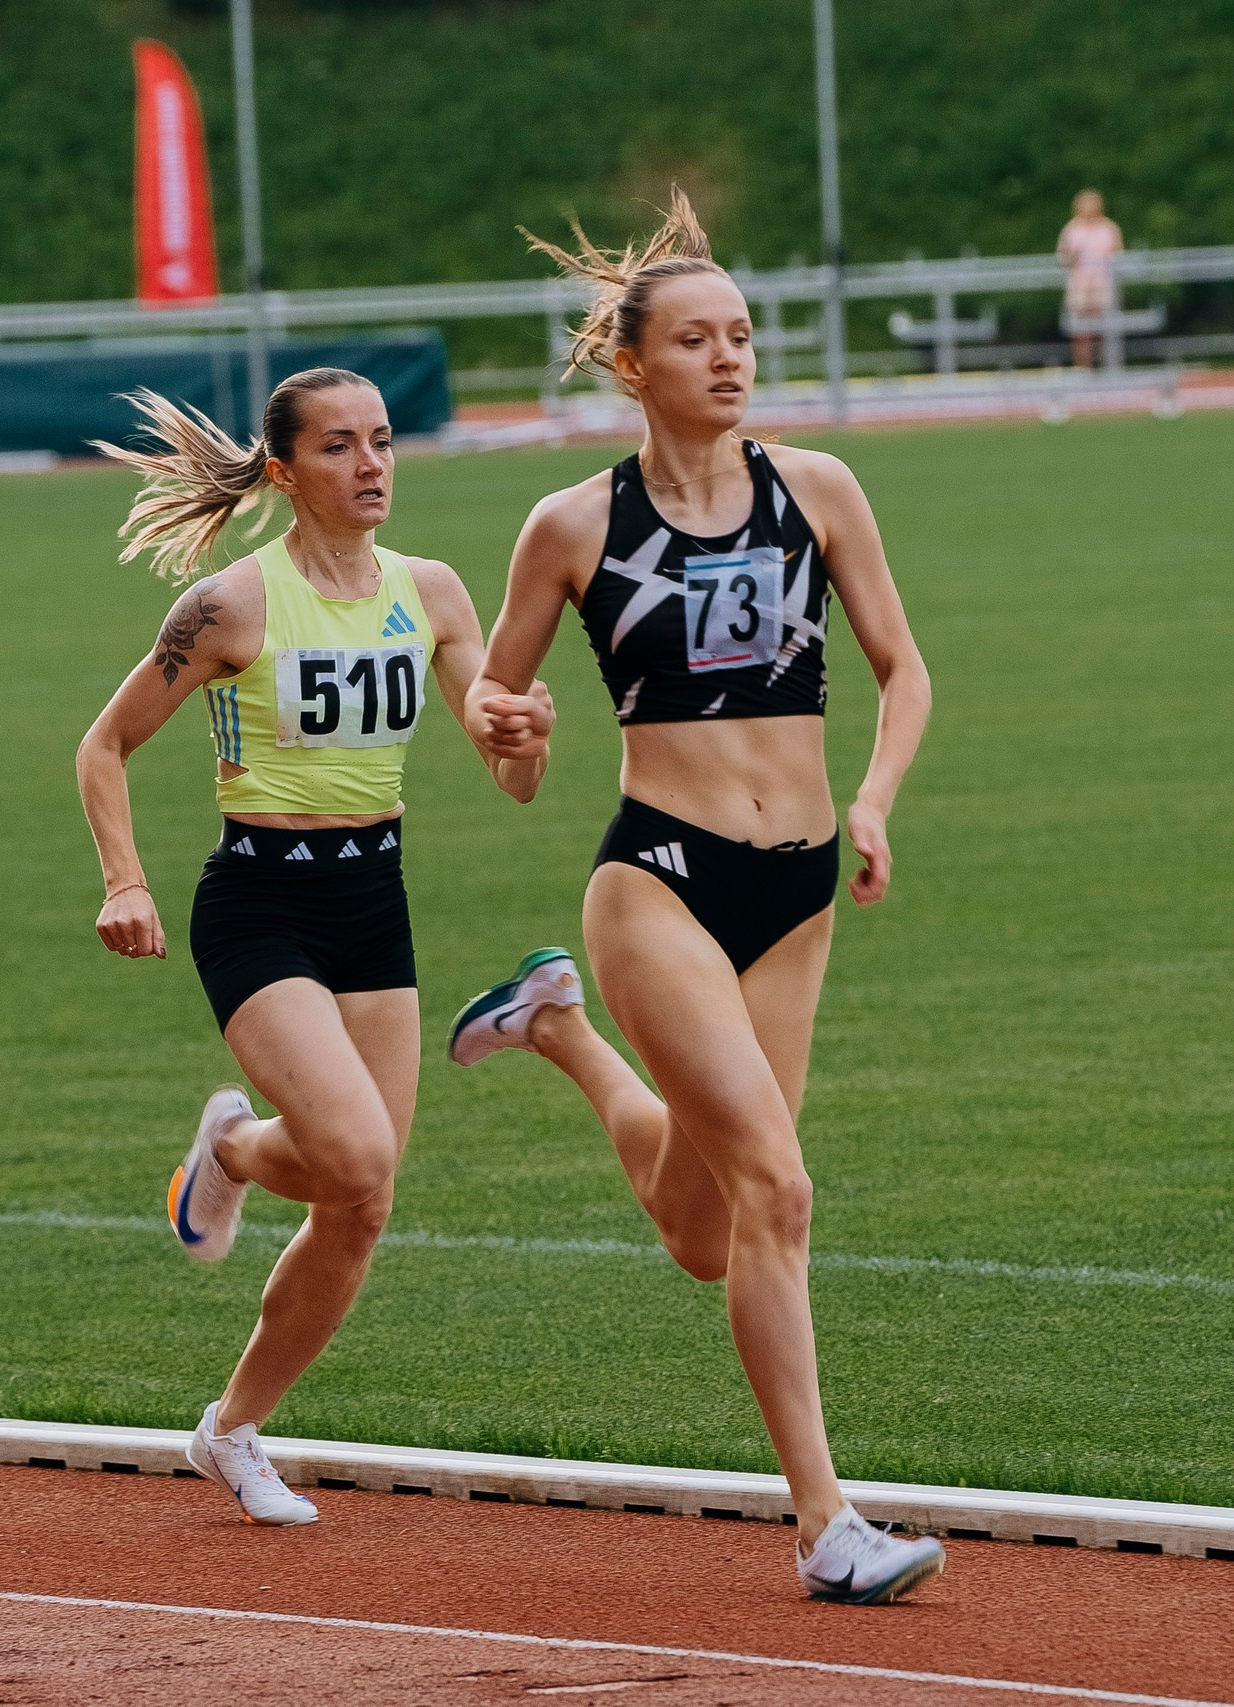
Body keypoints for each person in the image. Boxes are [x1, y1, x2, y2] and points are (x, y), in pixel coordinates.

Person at [451, 192, 946, 1605]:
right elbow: (500, 717)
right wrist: (508, 727)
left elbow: (904, 668)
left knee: (700, 1230)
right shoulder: (570, 524)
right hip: (658, 880)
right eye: (697, 338)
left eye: (741, 333)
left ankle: (555, 1028)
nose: (730, 356)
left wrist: (872, 798)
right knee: (777, 1189)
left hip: (798, 888)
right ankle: (826, 1525)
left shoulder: (820, 490)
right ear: (632, 363)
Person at [76, 369, 550, 1525]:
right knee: (353, 1150)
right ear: (285, 473)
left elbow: (513, 776)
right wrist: (124, 881)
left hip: (373, 903)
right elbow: (103, 746)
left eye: (380, 440)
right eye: (338, 447)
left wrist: (527, 731)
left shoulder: (432, 592)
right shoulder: (232, 606)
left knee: (363, 1198)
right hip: (259, 903)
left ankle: (232, 1428)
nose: (371, 464)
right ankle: (236, 1148)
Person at [1056, 189, 1124, 370]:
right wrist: (1072, 258)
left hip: (1103, 283)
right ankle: (1083, 368)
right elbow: (1062, 258)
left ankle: (1102, 366)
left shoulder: (1109, 228)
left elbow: (1118, 255)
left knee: (1103, 328)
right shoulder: (1071, 230)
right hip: (1080, 285)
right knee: (1080, 330)